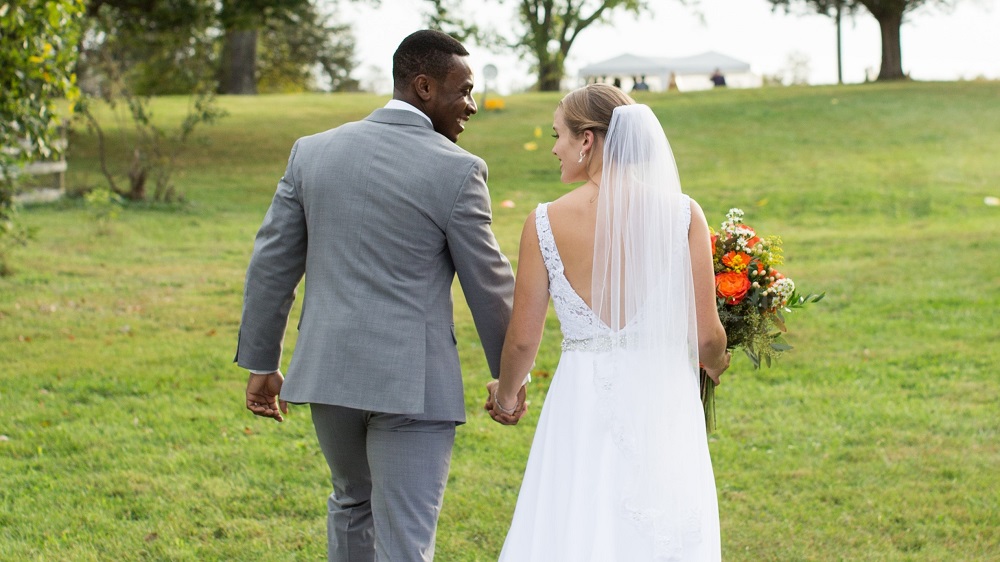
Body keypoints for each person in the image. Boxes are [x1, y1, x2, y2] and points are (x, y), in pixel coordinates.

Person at [236, 29, 519, 562]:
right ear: (424, 87)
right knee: (405, 541)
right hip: (414, 385)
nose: (472, 106)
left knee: (350, 504)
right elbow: (489, 280)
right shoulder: (458, 169)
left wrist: (261, 361)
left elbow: (271, 263)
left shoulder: (312, 153)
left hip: (329, 374)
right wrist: (510, 376)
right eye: (464, 91)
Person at [485, 84, 731, 560]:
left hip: (581, 397)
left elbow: (521, 343)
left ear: (587, 140)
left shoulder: (543, 222)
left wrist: (509, 395)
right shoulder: (683, 215)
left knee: (576, 518)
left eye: (559, 134)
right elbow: (706, 338)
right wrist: (717, 362)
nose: (554, 147)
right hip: (661, 398)